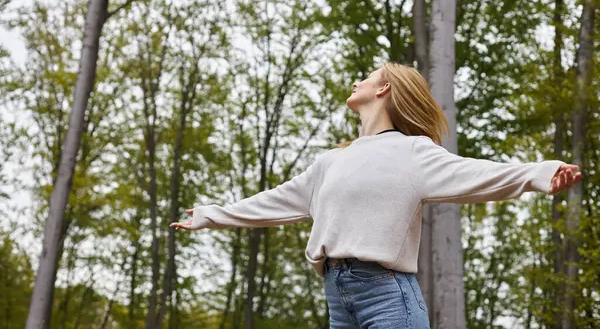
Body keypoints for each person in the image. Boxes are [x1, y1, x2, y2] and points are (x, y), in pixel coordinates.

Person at [170, 62, 582, 328]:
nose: (356, 80)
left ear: (384, 88)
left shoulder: (413, 152)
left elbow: (476, 174)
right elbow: (276, 200)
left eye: (365, 76)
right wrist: (211, 214)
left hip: (387, 295)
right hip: (337, 296)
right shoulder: (331, 161)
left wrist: (540, 173)